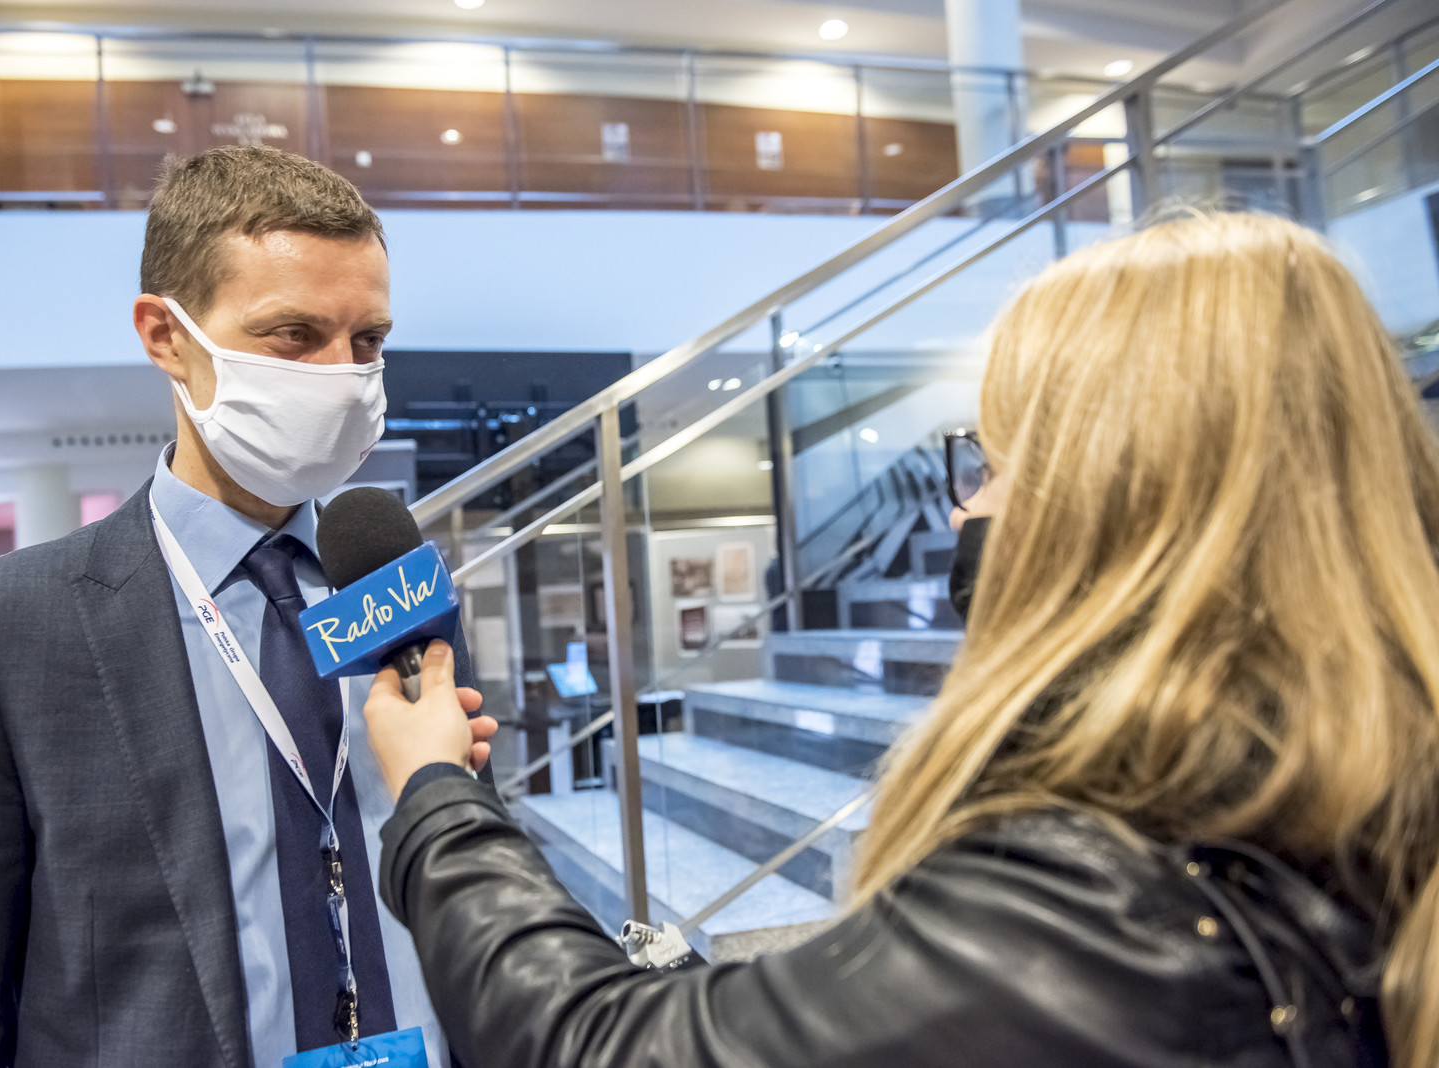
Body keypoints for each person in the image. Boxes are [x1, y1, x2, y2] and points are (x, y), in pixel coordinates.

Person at [361, 213, 1439, 1068]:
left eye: (996, 462)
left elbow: (598, 1048)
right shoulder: (1358, 784)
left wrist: (436, 798)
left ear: (1116, 501)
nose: (967, 509)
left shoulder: (1094, 902)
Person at [0, 145, 494, 1068]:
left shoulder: (392, 587)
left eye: (368, 342)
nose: (342, 375)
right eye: (294, 335)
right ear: (165, 336)